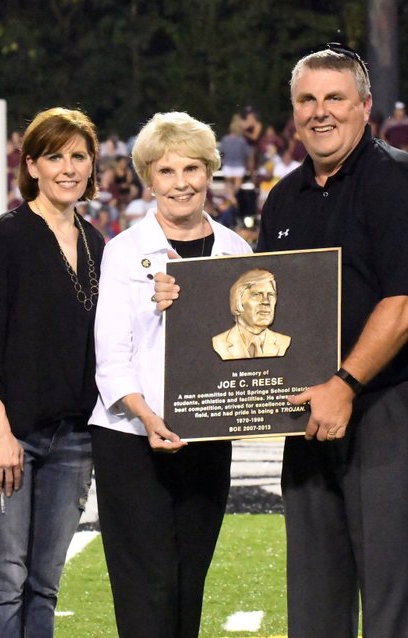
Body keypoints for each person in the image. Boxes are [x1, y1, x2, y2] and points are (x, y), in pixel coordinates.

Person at [257, 43, 408, 637]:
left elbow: (406, 299)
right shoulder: (283, 197)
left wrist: (345, 382)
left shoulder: (398, 178)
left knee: (389, 601)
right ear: (293, 111)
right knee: (313, 606)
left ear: (366, 107)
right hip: (309, 413)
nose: (320, 112)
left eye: (334, 98)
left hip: (386, 407)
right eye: (307, 100)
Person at [90, 111, 251, 638]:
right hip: (133, 440)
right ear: (148, 179)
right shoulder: (123, 252)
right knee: (148, 588)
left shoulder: (237, 251)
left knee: (189, 583)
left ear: (209, 172)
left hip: (207, 437)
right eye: (166, 171)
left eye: (192, 169)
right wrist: (147, 416)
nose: (181, 183)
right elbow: (110, 360)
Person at [0, 107, 104, 637]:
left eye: (79, 156)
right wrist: (0, 432)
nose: (68, 167)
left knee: (45, 580)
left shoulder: (96, 241)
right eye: (55, 156)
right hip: (3, 429)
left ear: (92, 165)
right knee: (5, 576)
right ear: (32, 165)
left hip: (73, 437)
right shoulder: (5, 237)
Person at [211, 268, 291, 360]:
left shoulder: (283, 342)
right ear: (238, 301)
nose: (266, 301)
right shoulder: (220, 343)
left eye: (270, 295)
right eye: (257, 295)